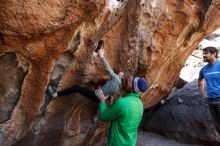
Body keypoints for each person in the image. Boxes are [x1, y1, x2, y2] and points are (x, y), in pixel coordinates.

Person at [48, 40, 124, 103]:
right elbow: (109, 92)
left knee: (77, 88)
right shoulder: (118, 88)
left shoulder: (116, 79)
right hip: (99, 99)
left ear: (122, 77)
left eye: (122, 73)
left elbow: (108, 69)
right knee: (100, 83)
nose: (121, 72)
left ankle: (55, 95)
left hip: (96, 96)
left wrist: (102, 56)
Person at [96, 77, 149, 146]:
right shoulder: (140, 104)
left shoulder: (122, 103)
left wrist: (102, 101)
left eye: (131, 82)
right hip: (131, 142)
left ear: (132, 87)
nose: (129, 82)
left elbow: (103, 116)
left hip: (117, 143)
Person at [198, 46, 220, 130]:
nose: (203, 55)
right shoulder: (204, 69)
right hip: (210, 100)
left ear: (214, 54)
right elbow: (200, 80)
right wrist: (202, 92)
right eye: (203, 53)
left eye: (206, 53)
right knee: (217, 125)